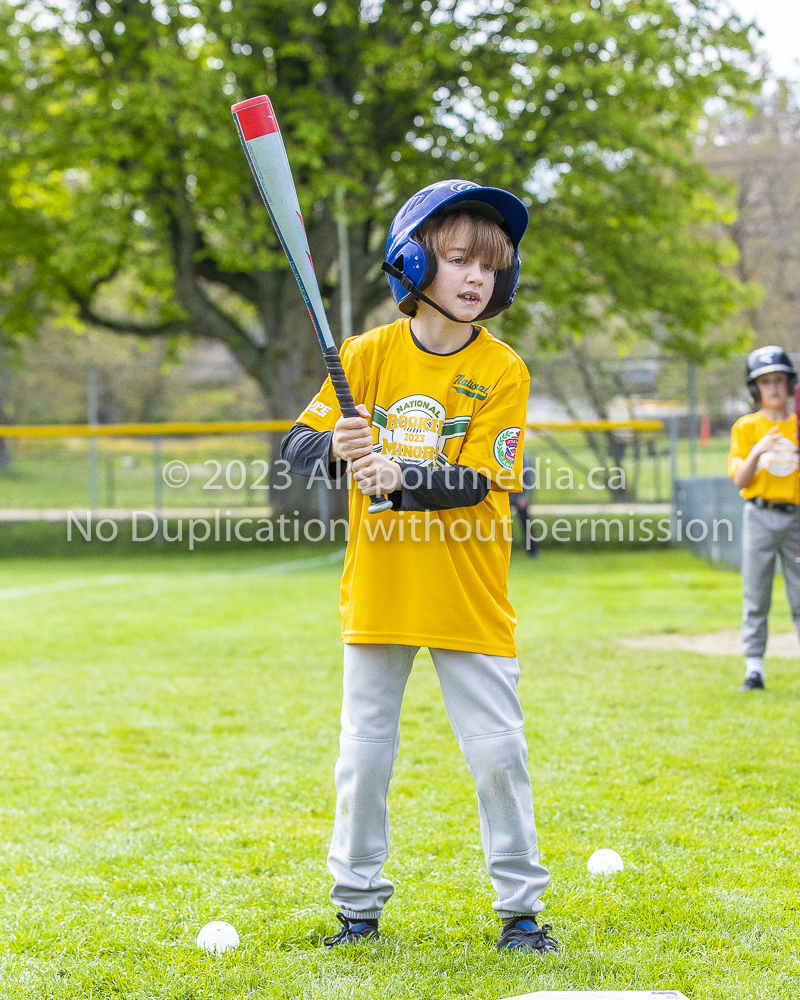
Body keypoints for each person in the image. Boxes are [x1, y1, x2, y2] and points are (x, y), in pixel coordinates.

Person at [281, 180, 556, 954]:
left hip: (469, 598)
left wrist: (400, 479)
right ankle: (357, 904)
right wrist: (337, 448)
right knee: (362, 761)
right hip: (381, 596)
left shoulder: (504, 371)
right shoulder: (363, 358)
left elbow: (482, 480)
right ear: (411, 262)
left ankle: (521, 912)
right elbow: (294, 444)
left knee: (499, 756)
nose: (477, 278)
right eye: (458, 259)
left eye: (490, 266)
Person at [729, 346, 800, 691]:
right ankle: (754, 669)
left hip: (796, 517)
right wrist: (759, 449)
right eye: (765, 382)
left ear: (790, 384)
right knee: (756, 594)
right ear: (755, 389)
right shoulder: (747, 427)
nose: (774, 388)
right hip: (759, 514)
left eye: (780, 380)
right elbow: (740, 480)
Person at [509, 451, 537, 556]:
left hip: (520, 496)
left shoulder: (524, 456)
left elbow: (528, 478)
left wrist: (524, 496)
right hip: (505, 496)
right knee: (501, 525)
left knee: (526, 524)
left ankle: (532, 551)